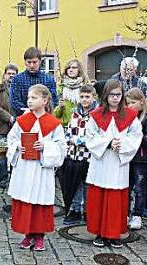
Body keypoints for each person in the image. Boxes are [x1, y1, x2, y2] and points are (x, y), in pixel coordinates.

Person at [6, 84, 67, 251]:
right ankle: (28, 234)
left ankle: (39, 236)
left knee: (40, 202)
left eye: (34, 98)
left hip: (42, 170)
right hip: (25, 169)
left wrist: (46, 146)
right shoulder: (22, 121)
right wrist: (18, 146)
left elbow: (62, 148)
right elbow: (11, 139)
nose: (29, 101)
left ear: (45, 100)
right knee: (26, 201)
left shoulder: (54, 124)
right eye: (28, 98)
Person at [85, 79, 142, 248]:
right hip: (101, 162)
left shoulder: (130, 116)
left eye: (118, 94)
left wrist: (121, 144)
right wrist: (108, 143)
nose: (115, 98)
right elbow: (90, 136)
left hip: (118, 163)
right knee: (99, 198)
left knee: (117, 200)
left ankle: (114, 233)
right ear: (106, 95)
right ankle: (100, 233)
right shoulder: (96, 115)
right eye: (112, 94)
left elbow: (135, 136)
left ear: (122, 95)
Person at [60, 85, 97, 225]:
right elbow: (69, 130)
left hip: (88, 157)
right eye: (82, 97)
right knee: (75, 184)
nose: (84, 99)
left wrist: (83, 140)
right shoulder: (75, 113)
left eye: (87, 97)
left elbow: (96, 135)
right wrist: (68, 139)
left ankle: (88, 211)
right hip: (73, 155)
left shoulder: (96, 114)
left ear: (94, 98)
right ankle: (75, 210)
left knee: (88, 185)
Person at [0, 63, 18, 189]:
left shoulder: (19, 88)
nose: (11, 76)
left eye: (14, 74)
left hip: (17, 126)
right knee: (2, 154)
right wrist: (9, 118)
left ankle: (15, 178)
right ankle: (3, 179)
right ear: (5, 75)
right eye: (9, 73)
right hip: (2, 126)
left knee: (16, 153)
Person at [10, 47, 58, 116]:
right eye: (29, 62)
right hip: (23, 118)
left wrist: (41, 112)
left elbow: (53, 100)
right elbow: (15, 102)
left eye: (34, 62)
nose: (32, 65)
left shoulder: (49, 79)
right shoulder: (17, 80)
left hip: (44, 118)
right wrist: (30, 112)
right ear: (25, 62)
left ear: (40, 62)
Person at [125, 88, 147, 230]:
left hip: (141, 158)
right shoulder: (127, 116)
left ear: (141, 101)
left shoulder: (145, 118)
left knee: (140, 188)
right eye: (127, 103)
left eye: (133, 102)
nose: (130, 106)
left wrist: (139, 136)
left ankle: (137, 214)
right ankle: (125, 213)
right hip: (128, 157)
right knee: (126, 186)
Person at [53, 59, 88, 127]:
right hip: (65, 127)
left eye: (74, 67)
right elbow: (56, 115)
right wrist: (60, 107)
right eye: (68, 68)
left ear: (79, 70)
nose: (70, 70)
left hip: (82, 126)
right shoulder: (61, 88)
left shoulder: (85, 87)